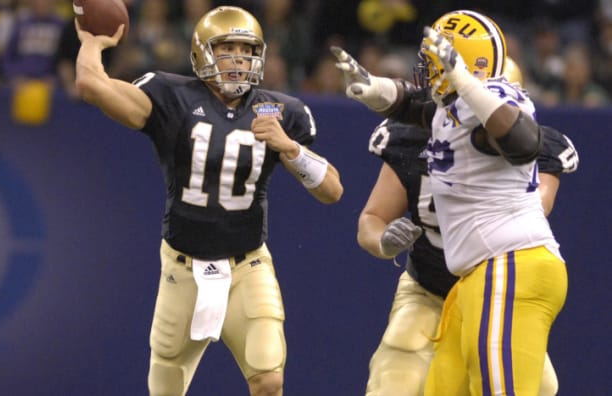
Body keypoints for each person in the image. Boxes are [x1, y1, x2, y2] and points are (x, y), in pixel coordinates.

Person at [74, 5, 343, 396]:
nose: (238, 59)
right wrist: (91, 44)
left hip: (247, 266)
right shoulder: (172, 95)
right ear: (202, 52)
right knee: (166, 387)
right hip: (182, 269)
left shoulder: (281, 110)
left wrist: (289, 148)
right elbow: (91, 86)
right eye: (227, 48)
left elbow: (332, 190)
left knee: (269, 380)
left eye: (247, 49)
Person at [333, 9, 568, 396]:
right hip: (468, 279)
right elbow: (412, 105)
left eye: (439, 62)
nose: (427, 70)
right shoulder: (450, 110)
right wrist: (373, 87)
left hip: (507, 266)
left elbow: (525, 143)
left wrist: (464, 81)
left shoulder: (494, 99)